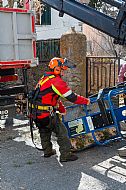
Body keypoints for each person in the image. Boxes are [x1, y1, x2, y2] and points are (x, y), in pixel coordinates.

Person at [31, 57, 90, 162]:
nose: (64, 72)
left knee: (44, 131)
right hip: (46, 113)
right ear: (57, 69)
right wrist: (86, 101)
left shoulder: (45, 78)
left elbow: (52, 97)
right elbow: (72, 97)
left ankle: (47, 151)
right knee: (62, 132)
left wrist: (61, 108)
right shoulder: (56, 81)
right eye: (62, 69)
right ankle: (65, 155)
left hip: (36, 113)